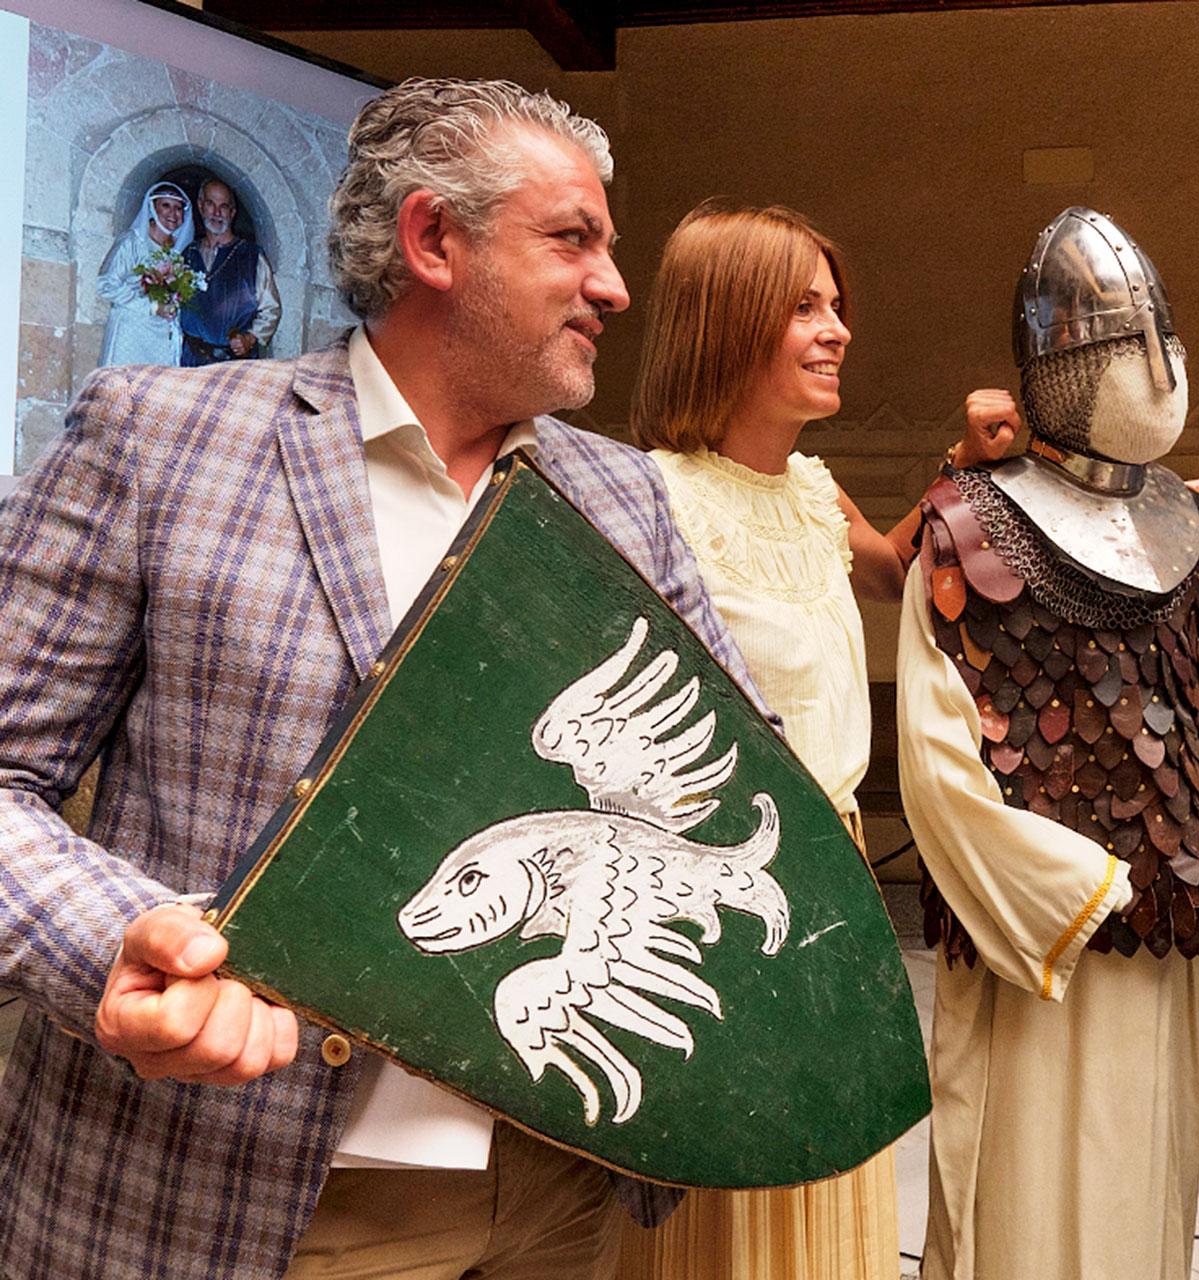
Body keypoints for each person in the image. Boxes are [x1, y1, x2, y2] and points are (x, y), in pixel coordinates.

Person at [0, 78, 763, 1280]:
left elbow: (730, 766)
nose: (616, 286)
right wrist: (120, 941)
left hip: (552, 1189)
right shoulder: (160, 437)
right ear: (433, 239)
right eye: (574, 239)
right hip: (231, 1190)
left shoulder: (625, 497)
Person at [895, 206, 1199, 1280]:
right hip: (1040, 945)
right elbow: (939, 760)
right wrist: (1070, 883)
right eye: (1132, 345)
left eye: (1167, 342)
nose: (1163, 371)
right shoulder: (969, 524)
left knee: (1148, 1183)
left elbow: (1188, 717)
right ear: (1064, 365)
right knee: (1030, 1192)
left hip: (1166, 942)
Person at [620, 199, 1009, 1280]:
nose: (838, 328)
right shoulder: (648, 496)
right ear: (725, 321)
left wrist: (961, 462)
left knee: (825, 1156)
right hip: (717, 888)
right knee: (734, 1187)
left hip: (830, 872)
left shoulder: (806, 484)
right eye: (804, 307)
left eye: (837, 306)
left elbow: (890, 568)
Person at [181, 179, 281, 366]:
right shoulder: (188, 254)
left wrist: (250, 338)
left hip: (233, 366)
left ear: (233, 213)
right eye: (210, 204)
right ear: (201, 206)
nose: (217, 213)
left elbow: (271, 309)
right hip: (189, 362)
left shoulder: (251, 257)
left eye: (224, 207)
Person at [96, 180, 194, 367]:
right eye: (166, 206)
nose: (173, 213)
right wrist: (150, 307)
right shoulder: (132, 243)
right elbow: (106, 285)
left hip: (160, 337)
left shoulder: (176, 253)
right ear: (152, 207)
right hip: (131, 332)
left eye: (178, 208)